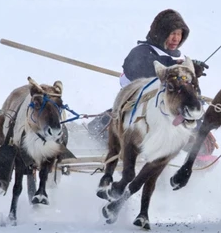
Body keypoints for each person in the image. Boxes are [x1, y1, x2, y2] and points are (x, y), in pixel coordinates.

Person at [84, 9, 209, 143]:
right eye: (172, 33)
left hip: (168, 118)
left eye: (179, 34)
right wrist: (175, 66)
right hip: (135, 113)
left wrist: (201, 127)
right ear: (161, 33)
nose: (176, 38)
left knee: (200, 144)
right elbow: (145, 69)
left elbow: (189, 96)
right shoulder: (141, 52)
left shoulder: (177, 59)